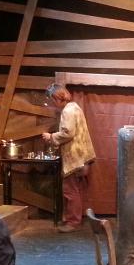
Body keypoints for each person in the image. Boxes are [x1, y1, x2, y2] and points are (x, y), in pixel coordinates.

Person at [42, 83, 96, 233]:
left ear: (57, 98)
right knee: (75, 190)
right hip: (81, 155)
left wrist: (51, 137)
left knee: (70, 190)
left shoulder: (68, 111)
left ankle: (73, 222)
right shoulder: (75, 107)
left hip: (75, 156)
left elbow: (68, 133)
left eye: (52, 100)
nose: (52, 103)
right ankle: (74, 219)